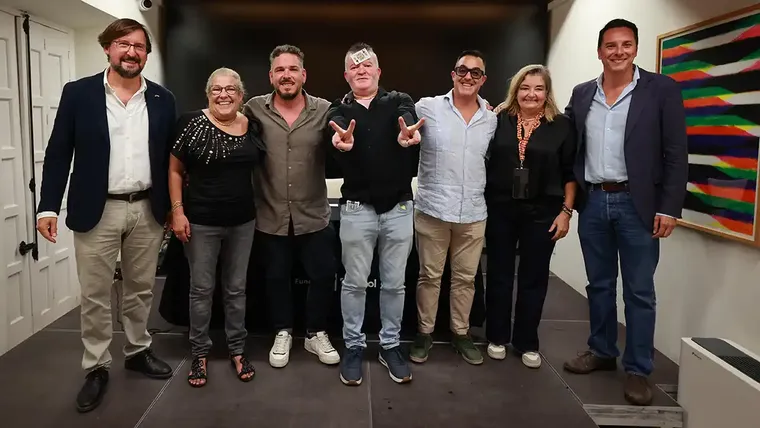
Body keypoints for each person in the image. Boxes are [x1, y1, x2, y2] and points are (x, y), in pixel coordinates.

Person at [35, 18, 175, 412]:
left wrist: (174, 207)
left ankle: (138, 350)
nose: (131, 52)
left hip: (148, 207)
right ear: (107, 49)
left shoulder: (163, 98)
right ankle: (96, 366)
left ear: (146, 54)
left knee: (141, 288)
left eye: (139, 46)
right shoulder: (79, 94)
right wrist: (48, 206)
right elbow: (58, 152)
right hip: (96, 208)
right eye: (123, 44)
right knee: (95, 293)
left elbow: (171, 159)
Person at [562, 19, 688, 405]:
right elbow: (565, 139)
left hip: (639, 204)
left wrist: (669, 207)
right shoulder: (583, 93)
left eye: (626, 44)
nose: (618, 52)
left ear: (635, 48)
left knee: (639, 290)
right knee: (599, 285)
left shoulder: (661, 90)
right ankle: (602, 350)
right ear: (599, 51)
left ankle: (638, 369)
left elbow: (676, 153)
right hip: (594, 201)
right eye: (611, 45)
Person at [327, 42, 422, 386]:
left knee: (395, 284)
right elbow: (337, 132)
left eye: (367, 65)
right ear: (347, 75)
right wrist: (342, 143)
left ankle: (390, 345)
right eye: (355, 66)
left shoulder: (399, 101)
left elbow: (407, 119)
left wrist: (406, 133)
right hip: (356, 210)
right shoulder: (338, 109)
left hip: (398, 208)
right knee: (354, 283)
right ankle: (353, 346)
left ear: (378, 71)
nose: (361, 70)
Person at [243, 45, 340, 369]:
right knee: (276, 278)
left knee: (323, 276)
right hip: (269, 213)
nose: (286, 75)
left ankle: (315, 333)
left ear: (303, 75)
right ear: (271, 76)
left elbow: (343, 143)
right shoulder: (253, 109)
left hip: (314, 213)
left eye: (292, 69)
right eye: (280, 70)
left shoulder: (324, 110)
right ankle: (282, 331)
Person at [169, 68, 263, 387]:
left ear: (241, 95)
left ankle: (237, 349)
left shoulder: (252, 126)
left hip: (243, 221)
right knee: (201, 289)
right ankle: (199, 353)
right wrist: (177, 212)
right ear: (208, 94)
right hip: (201, 221)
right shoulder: (191, 122)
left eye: (230, 89)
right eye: (217, 89)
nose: (224, 95)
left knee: (236, 289)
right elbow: (174, 170)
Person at [408, 50, 497, 366]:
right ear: (453, 74)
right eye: (462, 70)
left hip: (472, 213)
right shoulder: (427, 107)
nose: (468, 76)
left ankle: (461, 333)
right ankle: (424, 333)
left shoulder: (491, 119)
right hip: (433, 209)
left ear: (483, 80)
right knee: (429, 276)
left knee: (466, 279)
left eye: (475, 73)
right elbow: (400, 119)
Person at [485, 64, 577, 369]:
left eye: (538, 88)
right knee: (498, 273)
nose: (531, 94)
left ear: (547, 93)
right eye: (525, 88)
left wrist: (566, 212)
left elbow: (570, 172)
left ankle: (527, 341)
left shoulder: (562, 126)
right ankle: (497, 336)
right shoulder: (499, 119)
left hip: (543, 211)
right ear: (516, 90)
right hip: (501, 207)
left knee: (534, 277)